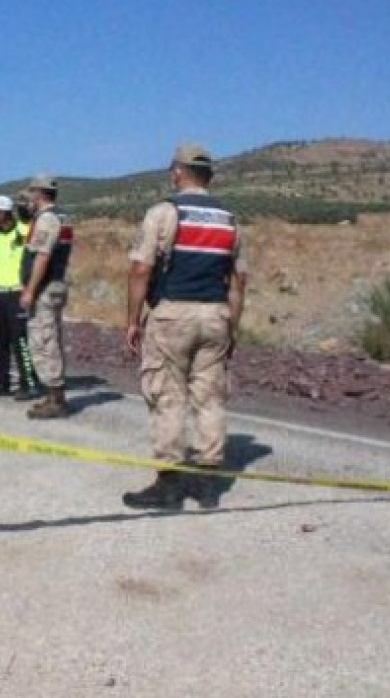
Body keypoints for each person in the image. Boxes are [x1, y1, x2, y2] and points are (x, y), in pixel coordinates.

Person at [122, 144, 246, 510]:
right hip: (216, 315)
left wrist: (132, 320)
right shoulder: (229, 219)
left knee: (167, 394)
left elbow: (141, 269)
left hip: (173, 313)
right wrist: (232, 328)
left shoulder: (164, 212)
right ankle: (209, 485)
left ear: (178, 171)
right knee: (209, 397)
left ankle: (169, 484)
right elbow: (239, 282)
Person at [20, 174, 75, 419]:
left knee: (44, 339)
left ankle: (56, 398)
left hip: (45, 287)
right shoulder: (60, 217)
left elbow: (42, 257)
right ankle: (53, 394)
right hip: (53, 285)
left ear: (40, 194)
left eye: (32, 193)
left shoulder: (47, 220)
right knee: (47, 336)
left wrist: (30, 289)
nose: (29, 198)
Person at [0, 195, 39, 399]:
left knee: (20, 341)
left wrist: (23, 209)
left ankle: (29, 383)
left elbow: (28, 224)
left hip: (16, 293)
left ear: (3, 213)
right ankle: (0, 383)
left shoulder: (21, 232)